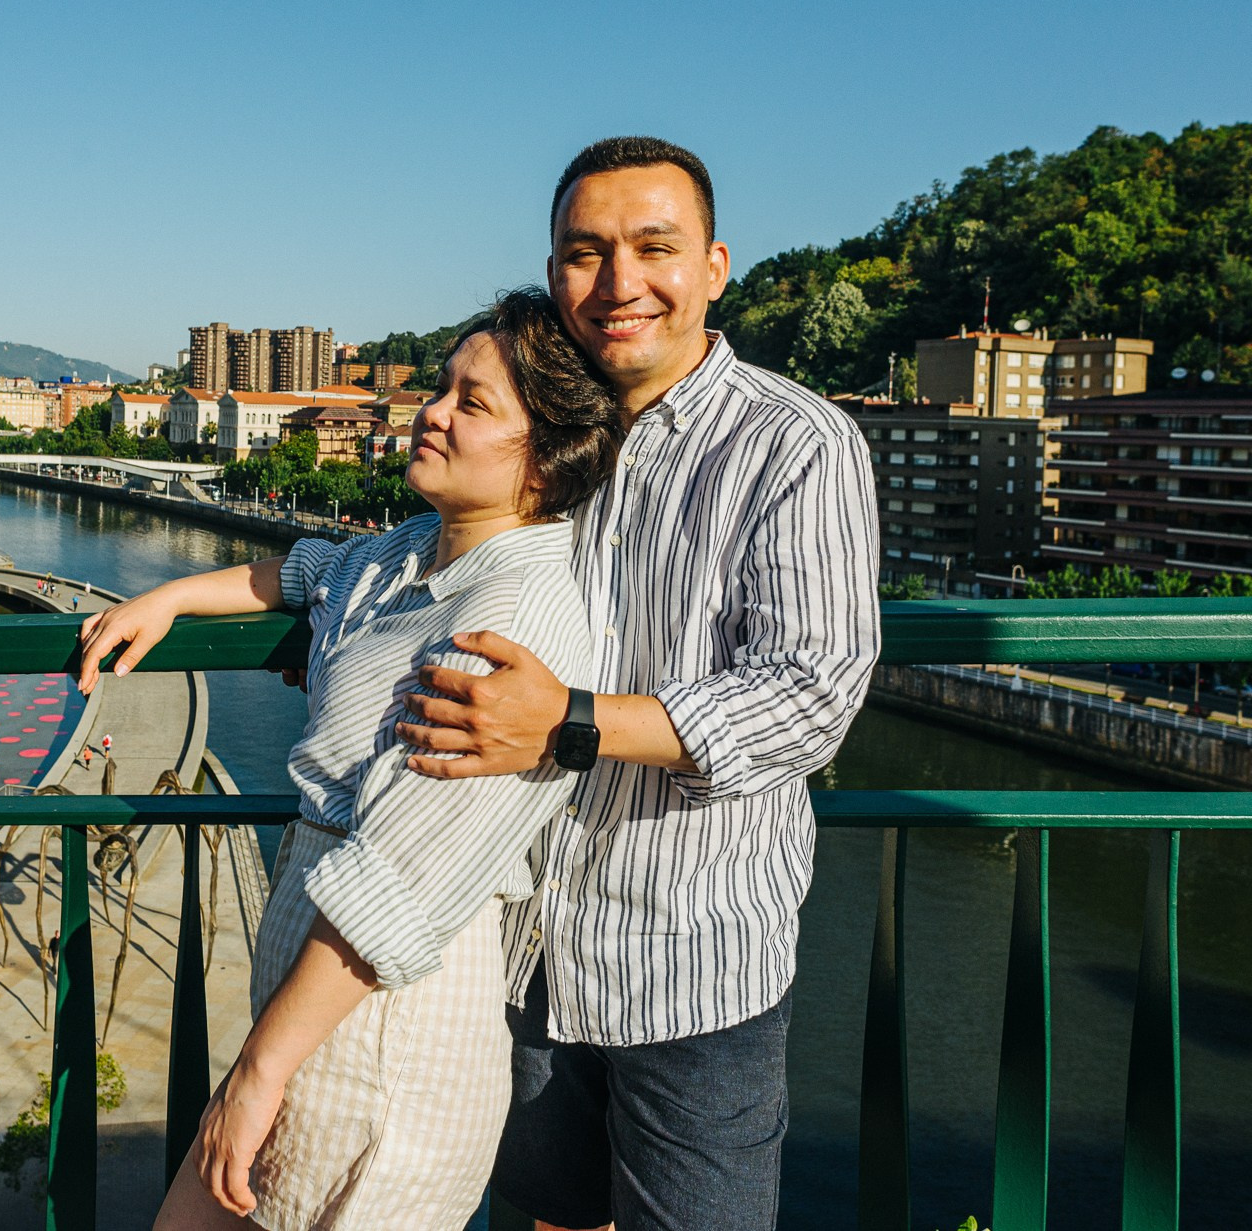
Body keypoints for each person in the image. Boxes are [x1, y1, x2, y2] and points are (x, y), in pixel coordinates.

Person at [394, 137, 881, 1231]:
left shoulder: (794, 444)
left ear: (712, 267)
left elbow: (809, 692)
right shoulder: (543, 433)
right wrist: (211, 591)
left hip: (689, 958)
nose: (617, 283)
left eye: (651, 247)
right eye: (582, 253)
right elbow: (406, 557)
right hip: (518, 947)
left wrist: (565, 723)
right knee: (543, 1216)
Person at [78, 289, 623, 1231]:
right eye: (442, 386)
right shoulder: (413, 552)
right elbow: (303, 571)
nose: (434, 412)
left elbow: (397, 886)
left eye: (473, 402)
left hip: (387, 1024)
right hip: (312, 1004)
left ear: (544, 460)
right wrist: (167, 599)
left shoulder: (519, 615)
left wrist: (254, 1075)